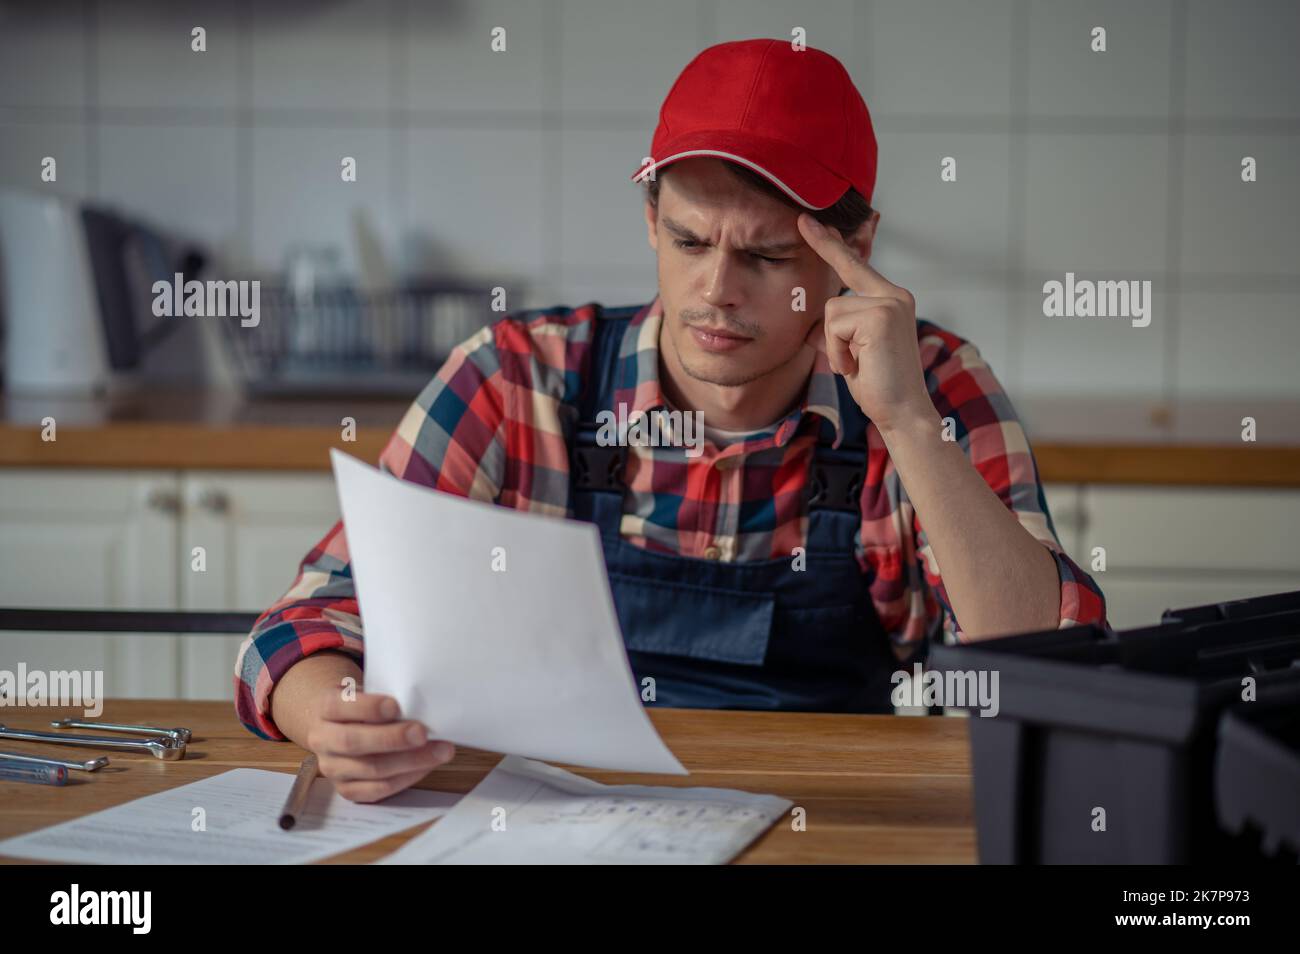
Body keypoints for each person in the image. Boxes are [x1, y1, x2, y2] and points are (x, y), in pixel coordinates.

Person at [235, 39, 1107, 803]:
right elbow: (305, 623)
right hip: (554, 832)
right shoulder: (519, 378)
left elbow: (1050, 664)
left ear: (855, 252)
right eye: (689, 242)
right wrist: (336, 719)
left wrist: (910, 427)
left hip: (840, 824)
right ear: (651, 218)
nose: (718, 291)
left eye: (768, 255)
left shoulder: (930, 386)